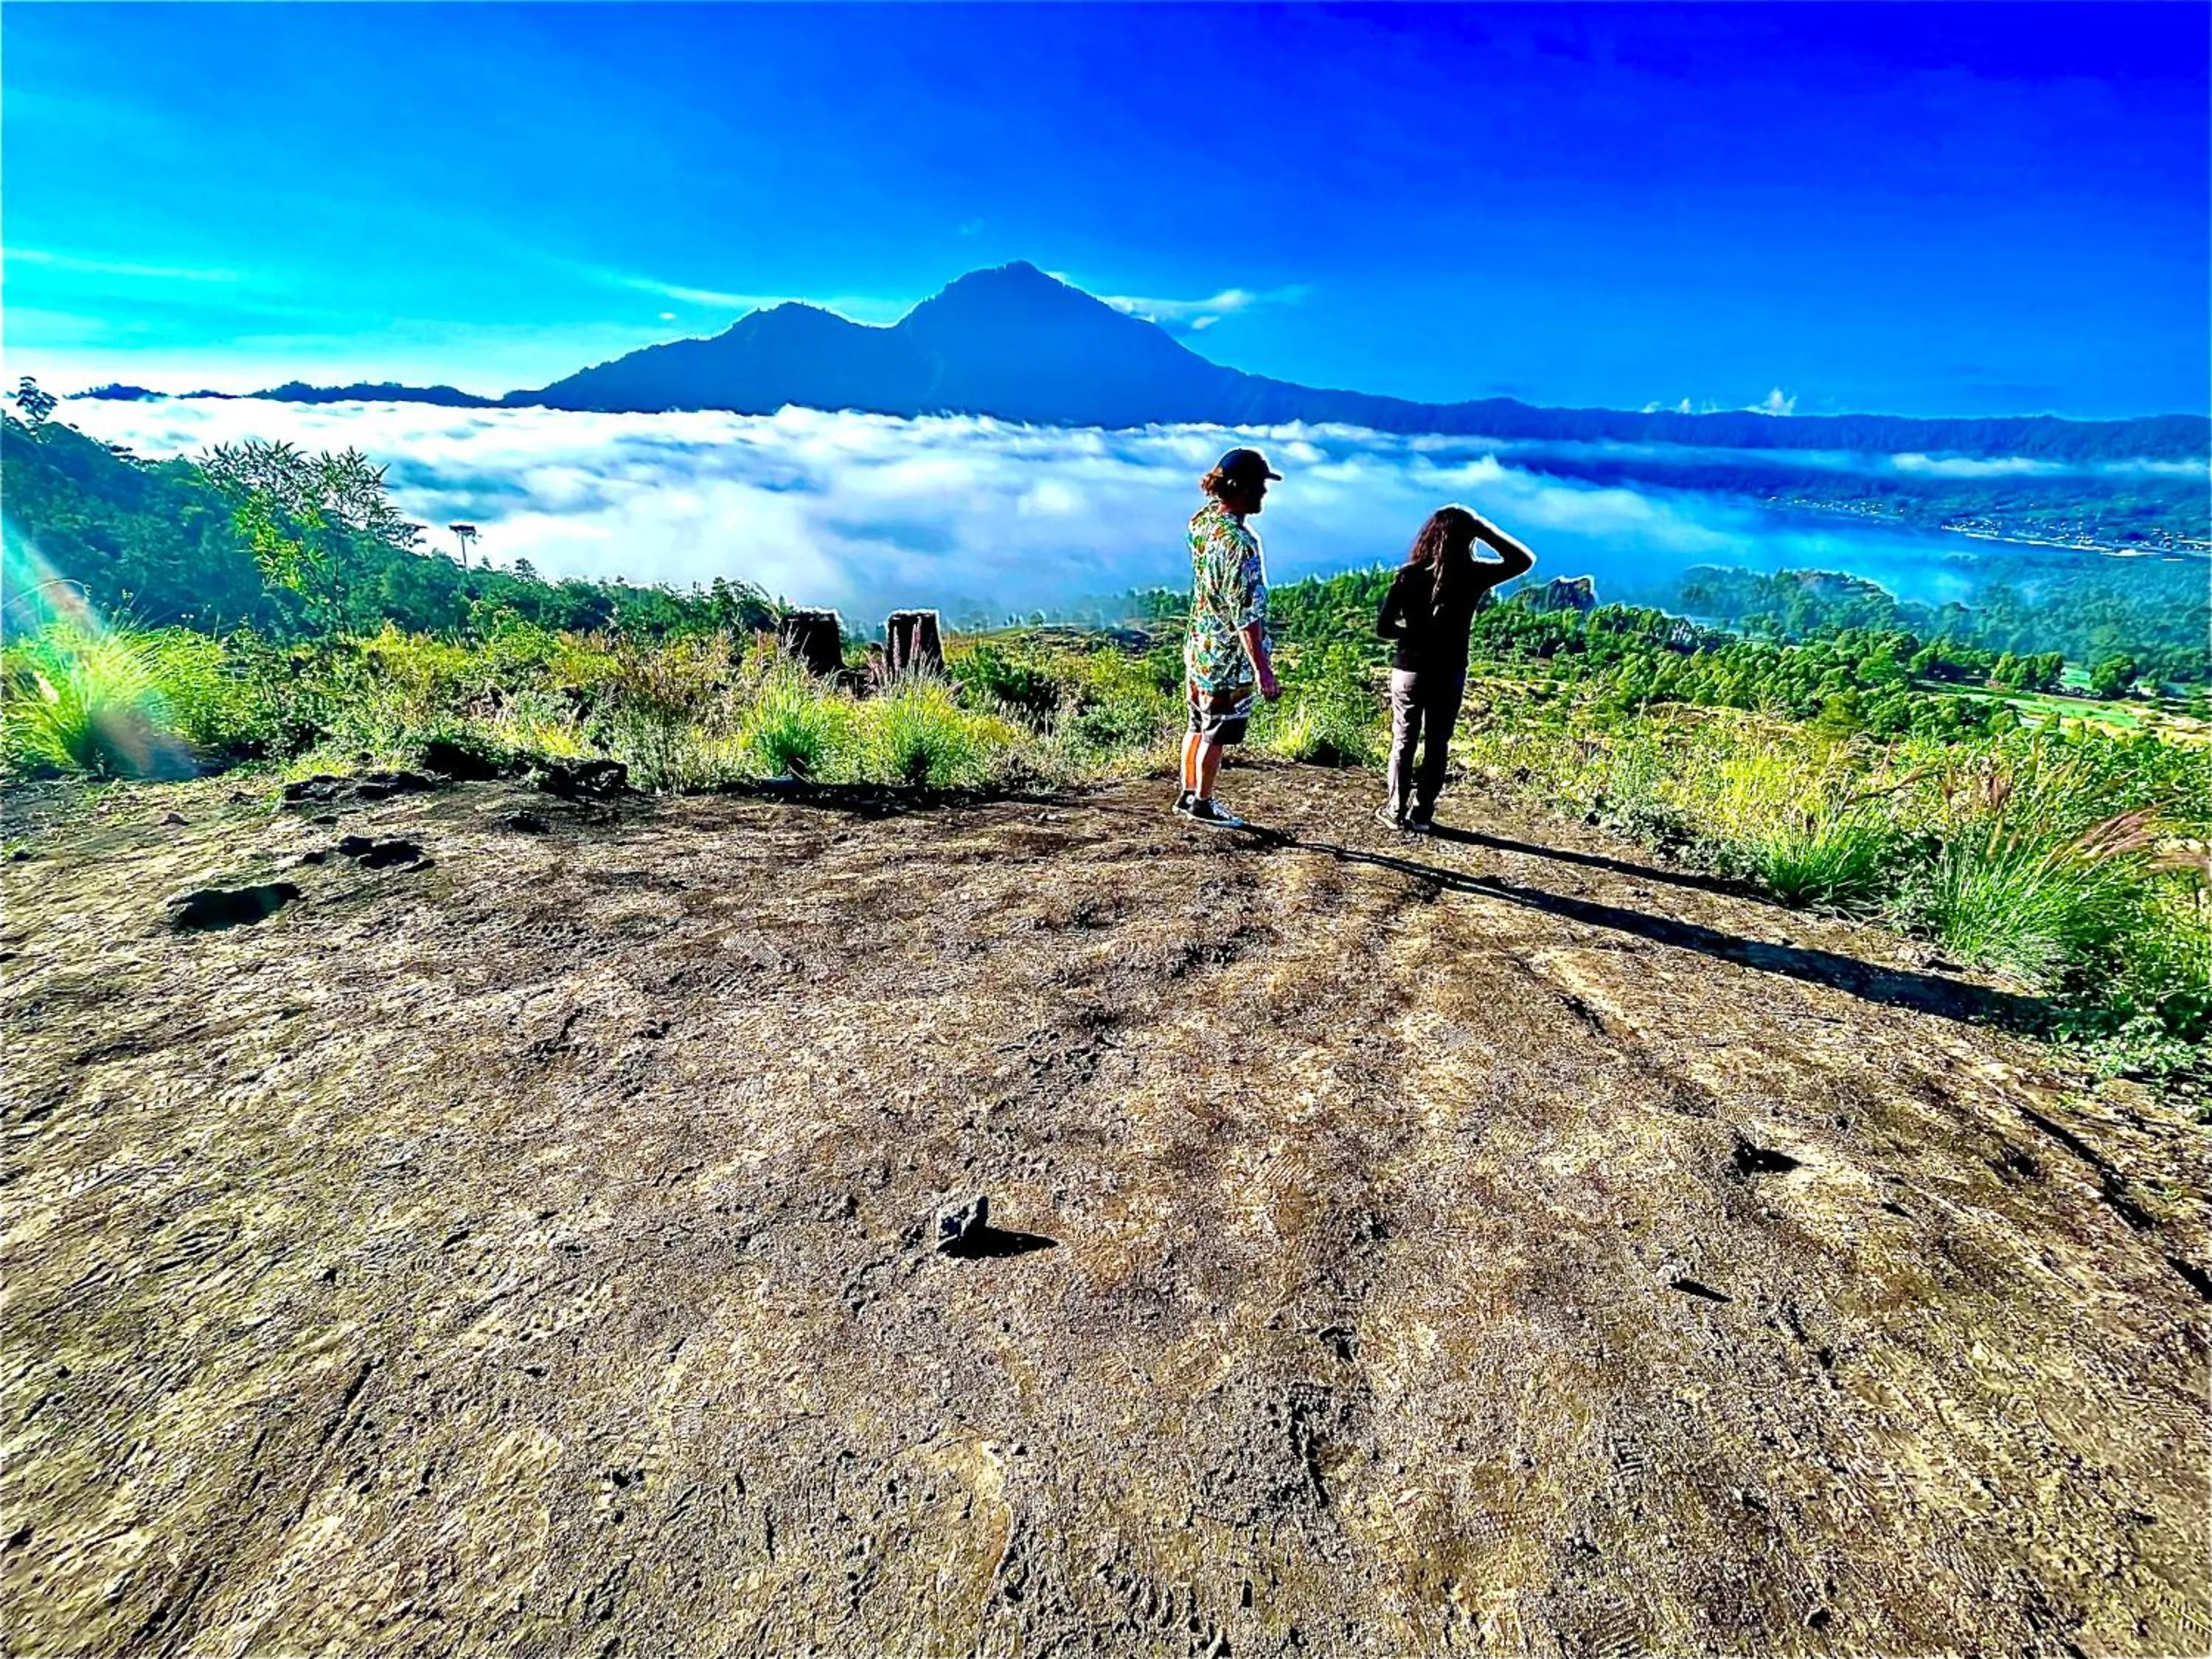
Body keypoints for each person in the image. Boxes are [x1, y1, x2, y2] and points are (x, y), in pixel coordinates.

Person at [1374, 504, 1535, 831]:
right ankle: (1422, 815)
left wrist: (1414, 634)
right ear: (1468, 539)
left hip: (1410, 669)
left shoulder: (1408, 575)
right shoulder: (1473, 575)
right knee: (1437, 742)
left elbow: (1384, 628)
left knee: (1403, 740)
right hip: (1449, 670)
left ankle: (1395, 810)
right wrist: (1481, 528)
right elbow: (1522, 560)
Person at [1175, 447, 1283, 830]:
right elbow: (1247, 618)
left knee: (1195, 724)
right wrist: (1263, 673)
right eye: (1259, 486)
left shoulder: (1202, 523)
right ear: (1239, 488)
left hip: (1199, 644)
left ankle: (1187, 793)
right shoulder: (1241, 545)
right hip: (1225, 656)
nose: (1264, 494)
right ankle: (1203, 803)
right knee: (1215, 732)